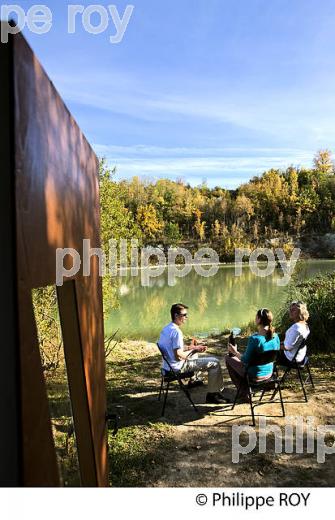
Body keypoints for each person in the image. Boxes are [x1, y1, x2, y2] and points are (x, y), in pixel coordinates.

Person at [158, 303, 227, 404]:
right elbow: (179, 356)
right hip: (177, 367)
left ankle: (193, 380)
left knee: (194, 354)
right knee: (215, 363)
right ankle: (213, 395)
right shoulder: (177, 332)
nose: (186, 317)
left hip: (167, 366)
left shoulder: (167, 329)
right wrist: (195, 350)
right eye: (184, 315)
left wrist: (193, 348)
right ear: (176, 315)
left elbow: (176, 349)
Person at [225, 308, 280, 402]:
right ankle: (246, 390)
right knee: (240, 362)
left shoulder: (255, 339)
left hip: (255, 376)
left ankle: (243, 393)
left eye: (256, 316)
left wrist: (234, 352)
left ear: (259, 319)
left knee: (228, 358)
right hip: (269, 374)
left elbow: (245, 360)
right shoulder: (276, 336)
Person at [277, 301, 310, 365]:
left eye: (293, 310)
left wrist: (274, 346)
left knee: (267, 350)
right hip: (300, 356)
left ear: (301, 312)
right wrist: (278, 343)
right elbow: (291, 342)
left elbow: (287, 347)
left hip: (291, 358)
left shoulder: (296, 327)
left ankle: (265, 373)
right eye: (290, 310)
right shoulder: (305, 325)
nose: (290, 312)